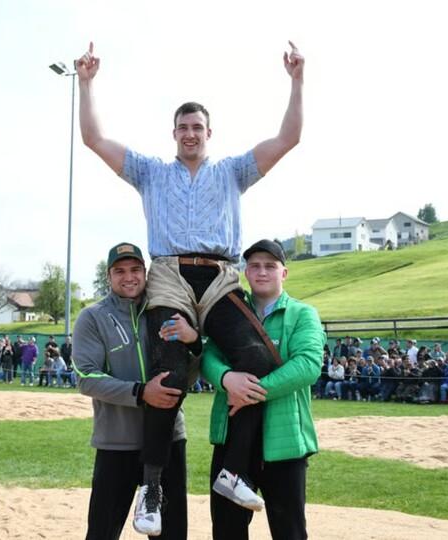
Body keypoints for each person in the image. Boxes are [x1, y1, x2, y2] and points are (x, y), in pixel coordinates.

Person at [75, 40, 305, 521]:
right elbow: (95, 140)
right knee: (170, 372)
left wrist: (296, 81)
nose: (190, 134)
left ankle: (235, 471)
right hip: (170, 277)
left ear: (209, 132)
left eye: (197, 127)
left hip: (220, 276)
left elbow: (288, 139)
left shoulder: (233, 172)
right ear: (174, 133)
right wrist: (87, 83)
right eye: (183, 127)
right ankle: (153, 489)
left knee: (259, 357)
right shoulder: (151, 172)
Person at [72, 243, 199, 539]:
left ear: (145, 272)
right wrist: (141, 392)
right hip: (117, 442)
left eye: (135, 269)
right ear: (109, 276)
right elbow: (86, 377)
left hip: (168, 438)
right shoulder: (92, 318)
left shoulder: (165, 311)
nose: (128, 277)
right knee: (103, 531)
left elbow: (190, 375)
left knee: (171, 533)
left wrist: (194, 343)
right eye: (120, 271)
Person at [201, 239, 324, 540]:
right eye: (254, 265)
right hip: (232, 439)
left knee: (289, 531)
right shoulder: (231, 311)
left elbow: (308, 365)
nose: (262, 272)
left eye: (270, 265)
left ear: (284, 273)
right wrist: (227, 378)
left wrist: (250, 392)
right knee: (227, 530)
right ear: (244, 272)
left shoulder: (302, 314)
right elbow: (209, 356)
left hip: (284, 441)